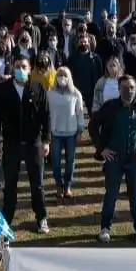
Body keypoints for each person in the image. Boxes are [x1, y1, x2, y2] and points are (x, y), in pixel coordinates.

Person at [89, 75, 136, 244]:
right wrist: (101, 149)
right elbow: (93, 125)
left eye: (131, 87)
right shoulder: (110, 107)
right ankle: (105, 228)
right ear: (118, 89)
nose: (128, 91)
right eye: (124, 88)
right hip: (114, 158)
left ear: (135, 88)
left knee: (135, 194)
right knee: (111, 194)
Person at [0, 55, 52, 234]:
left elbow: (46, 115)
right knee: (10, 184)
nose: (20, 69)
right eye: (17, 66)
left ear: (30, 68)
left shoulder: (38, 88)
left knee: (37, 184)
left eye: (24, 66)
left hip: (34, 143)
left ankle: (41, 217)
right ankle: (6, 219)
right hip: (11, 144)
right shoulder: (3, 90)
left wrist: (46, 140)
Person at [48, 66, 85, 200]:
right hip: (55, 132)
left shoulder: (75, 93)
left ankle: (67, 186)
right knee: (56, 161)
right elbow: (47, 113)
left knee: (70, 160)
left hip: (71, 132)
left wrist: (80, 130)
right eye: (60, 75)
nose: (62, 78)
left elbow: (80, 112)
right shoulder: (50, 93)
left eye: (65, 75)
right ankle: (59, 185)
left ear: (69, 77)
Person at [68, 33, 103, 112]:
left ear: (89, 43)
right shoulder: (72, 58)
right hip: (76, 91)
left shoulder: (96, 58)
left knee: (93, 116)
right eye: (81, 42)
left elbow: (100, 75)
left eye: (85, 42)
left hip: (91, 92)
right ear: (78, 43)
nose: (83, 44)